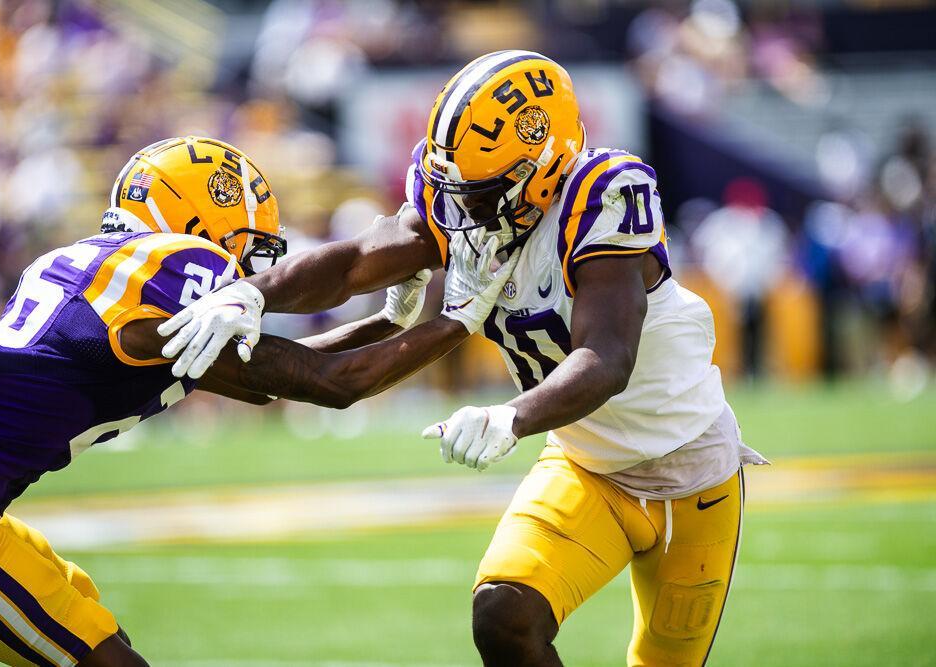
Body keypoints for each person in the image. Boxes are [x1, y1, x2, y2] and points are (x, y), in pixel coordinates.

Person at [165, 52, 767, 666]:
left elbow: (607, 357)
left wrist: (512, 417)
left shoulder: (601, 195)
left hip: (691, 474)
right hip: (586, 466)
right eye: (455, 189)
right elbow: (354, 262)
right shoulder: (467, 198)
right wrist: (250, 296)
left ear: (542, 165)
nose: (462, 211)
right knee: (505, 616)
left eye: (480, 192)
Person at [0, 135, 516, 666]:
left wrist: (389, 321)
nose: (248, 258)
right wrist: (458, 319)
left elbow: (264, 379)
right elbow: (330, 383)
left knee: (100, 636)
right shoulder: (170, 263)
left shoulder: (99, 270)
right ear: (195, 214)